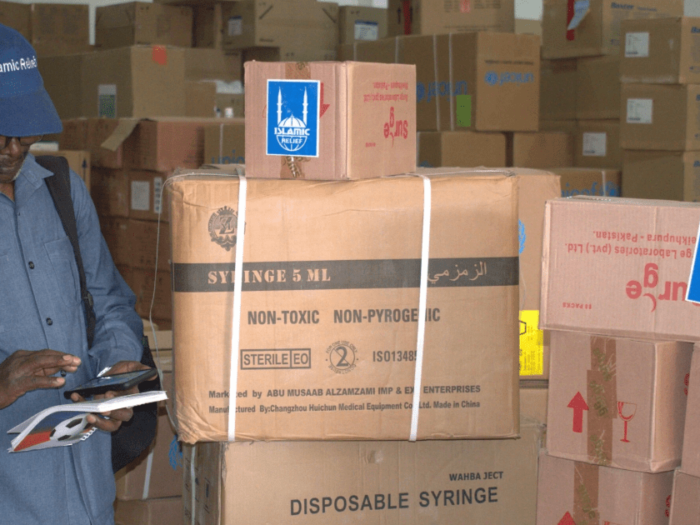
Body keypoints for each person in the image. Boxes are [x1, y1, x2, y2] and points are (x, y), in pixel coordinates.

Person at [0, 24, 146, 524]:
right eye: (0, 130)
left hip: (89, 494)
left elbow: (110, 303)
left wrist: (118, 370)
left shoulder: (62, 189)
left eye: (25, 130)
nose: (14, 148)